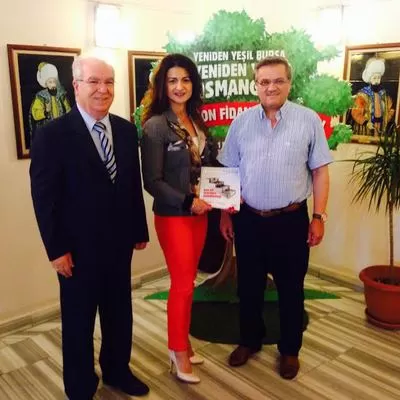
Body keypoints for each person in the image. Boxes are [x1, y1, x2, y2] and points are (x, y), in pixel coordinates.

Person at [30, 56, 150, 399]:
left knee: (119, 312)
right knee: (78, 321)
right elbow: (44, 199)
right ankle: (80, 385)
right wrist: (56, 250)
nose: (103, 89)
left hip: (119, 244)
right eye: (94, 81)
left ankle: (117, 370)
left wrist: (139, 229)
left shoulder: (125, 131)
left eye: (109, 82)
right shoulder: (52, 135)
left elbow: (131, 184)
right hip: (76, 250)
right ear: (76, 85)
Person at [218, 56, 332, 380]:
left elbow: (320, 172)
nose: (271, 87)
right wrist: (226, 214)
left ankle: (290, 350)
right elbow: (229, 170)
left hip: (291, 221)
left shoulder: (308, 120)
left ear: (289, 84)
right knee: (249, 287)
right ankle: (250, 340)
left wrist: (319, 216)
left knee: (291, 288)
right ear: (255, 85)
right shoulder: (241, 123)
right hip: (248, 220)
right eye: (264, 81)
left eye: (278, 81)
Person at [140, 53, 218, 383]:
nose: (179, 86)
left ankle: (183, 342)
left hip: (201, 213)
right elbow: (152, 181)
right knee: (183, 284)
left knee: (189, 282)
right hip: (175, 216)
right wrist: (188, 201)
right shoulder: (155, 126)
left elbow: (209, 165)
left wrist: (223, 194)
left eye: (185, 79)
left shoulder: (196, 120)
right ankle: (177, 351)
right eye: (172, 80)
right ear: (162, 85)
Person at [350, 57, 395, 136]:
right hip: (366, 128)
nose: (377, 81)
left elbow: (391, 109)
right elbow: (355, 112)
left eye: (379, 78)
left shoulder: (384, 94)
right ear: (370, 79)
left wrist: (386, 119)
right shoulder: (362, 95)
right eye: (374, 78)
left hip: (381, 128)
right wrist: (366, 122)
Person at [29, 62, 71, 140]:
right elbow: (35, 114)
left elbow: (68, 110)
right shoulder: (41, 96)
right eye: (50, 82)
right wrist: (46, 111)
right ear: (46, 84)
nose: (53, 85)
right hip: (47, 129)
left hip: (61, 128)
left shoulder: (61, 94)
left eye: (54, 82)